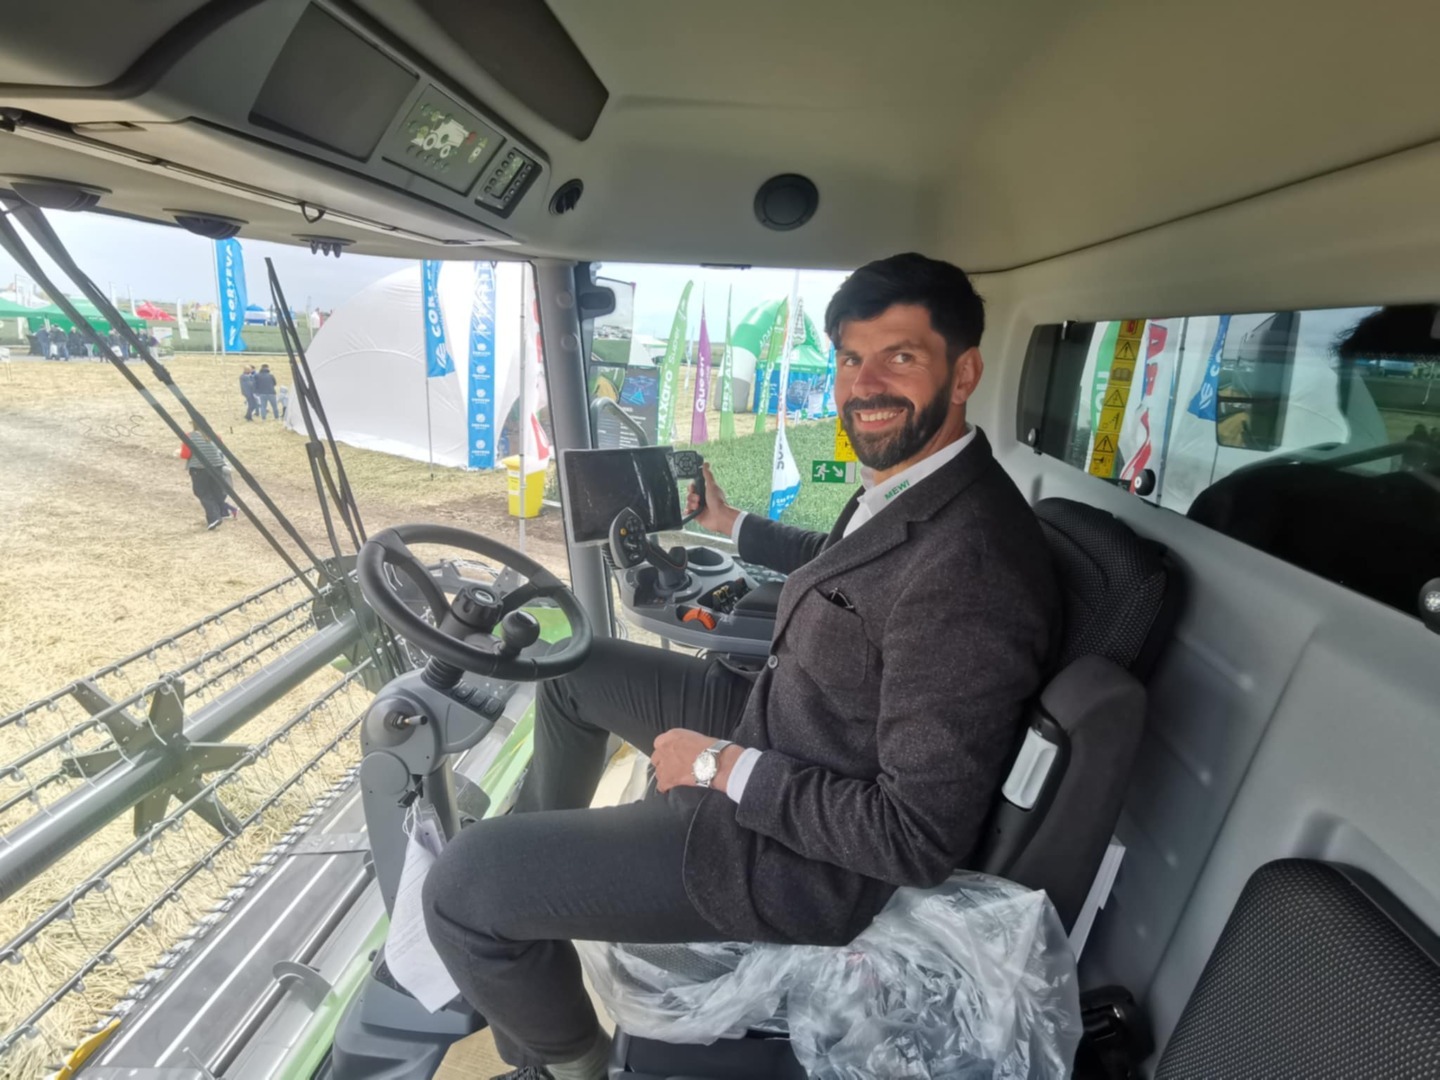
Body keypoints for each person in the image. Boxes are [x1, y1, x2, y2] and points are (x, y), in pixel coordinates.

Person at [421, 253, 1062, 1080]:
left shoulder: (970, 568)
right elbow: (846, 562)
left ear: (964, 372)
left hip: (790, 854)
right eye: (850, 358)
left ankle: (567, 1063)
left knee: (463, 887)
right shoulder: (921, 485)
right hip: (782, 722)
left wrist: (720, 768)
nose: (864, 384)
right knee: (574, 672)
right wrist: (734, 526)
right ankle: (538, 894)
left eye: (899, 356)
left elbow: (913, 839)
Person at [178, 430, 230, 530]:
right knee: (216, 491)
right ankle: (219, 512)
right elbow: (220, 450)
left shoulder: (189, 436)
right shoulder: (215, 435)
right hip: (217, 466)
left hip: (199, 468)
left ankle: (214, 517)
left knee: (202, 492)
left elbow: (185, 454)